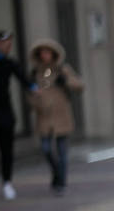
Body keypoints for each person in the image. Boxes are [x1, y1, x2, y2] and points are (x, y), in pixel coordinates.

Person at [28, 38, 84, 195]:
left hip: (61, 115)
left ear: (53, 54)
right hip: (44, 116)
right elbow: (29, 94)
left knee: (62, 151)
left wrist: (65, 81)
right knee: (46, 149)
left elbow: (79, 85)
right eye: (42, 52)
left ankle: (61, 183)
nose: (45, 55)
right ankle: (56, 173)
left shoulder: (62, 69)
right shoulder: (35, 73)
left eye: (48, 52)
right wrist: (37, 102)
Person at [0, 30, 34, 201]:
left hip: (4, 112)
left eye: (10, 44)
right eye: (6, 43)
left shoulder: (8, 63)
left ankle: (7, 183)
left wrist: (35, 88)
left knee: (7, 149)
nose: (8, 47)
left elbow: (23, 79)